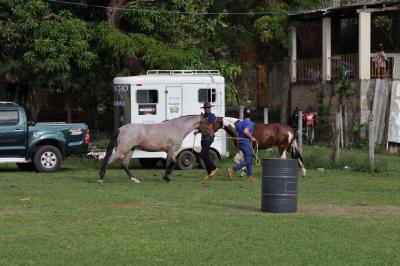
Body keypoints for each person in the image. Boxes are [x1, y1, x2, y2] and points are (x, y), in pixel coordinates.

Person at [227, 109, 256, 182]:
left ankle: (249, 176)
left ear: (244, 115)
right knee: (248, 159)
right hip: (246, 144)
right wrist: (252, 138)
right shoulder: (250, 123)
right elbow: (245, 131)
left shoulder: (239, 123)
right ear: (251, 115)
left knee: (249, 159)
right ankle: (232, 170)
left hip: (240, 143)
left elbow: (236, 134)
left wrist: (237, 145)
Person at [196, 102, 218, 179]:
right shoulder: (203, 116)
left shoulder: (212, 116)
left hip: (209, 137)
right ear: (204, 109)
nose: (207, 109)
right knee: (206, 155)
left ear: (210, 108)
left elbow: (209, 126)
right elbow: (201, 127)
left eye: (208, 108)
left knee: (203, 154)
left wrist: (201, 128)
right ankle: (210, 173)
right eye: (205, 108)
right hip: (203, 138)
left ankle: (214, 168)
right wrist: (198, 131)